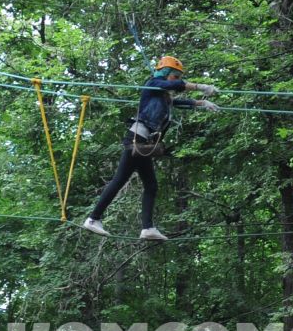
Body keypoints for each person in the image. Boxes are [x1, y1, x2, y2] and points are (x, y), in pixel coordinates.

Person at [80, 55, 217, 242]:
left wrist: (201, 103)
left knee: (151, 185)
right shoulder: (153, 83)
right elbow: (172, 87)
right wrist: (200, 87)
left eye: (178, 77)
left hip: (143, 143)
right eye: (174, 76)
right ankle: (94, 219)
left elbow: (175, 101)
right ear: (166, 74)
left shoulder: (162, 94)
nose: (176, 80)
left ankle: (147, 228)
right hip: (136, 139)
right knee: (120, 180)